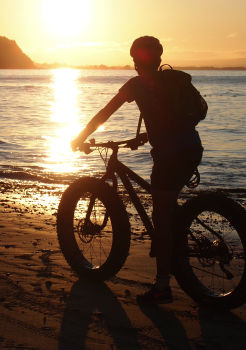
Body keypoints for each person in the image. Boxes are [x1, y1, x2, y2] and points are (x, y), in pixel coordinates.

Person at [71, 36, 203, 304]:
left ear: (135, 60)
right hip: (192, 149)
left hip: (170, 156)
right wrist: (144, 136)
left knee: (161, 217)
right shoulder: (175, 80)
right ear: (158, 57)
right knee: (168, 205)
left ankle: (162, 286)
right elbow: (180, 117)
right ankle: (179, 246)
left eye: (134, 58)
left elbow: (105, 113)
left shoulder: (137, 85)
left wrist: (80, 136)